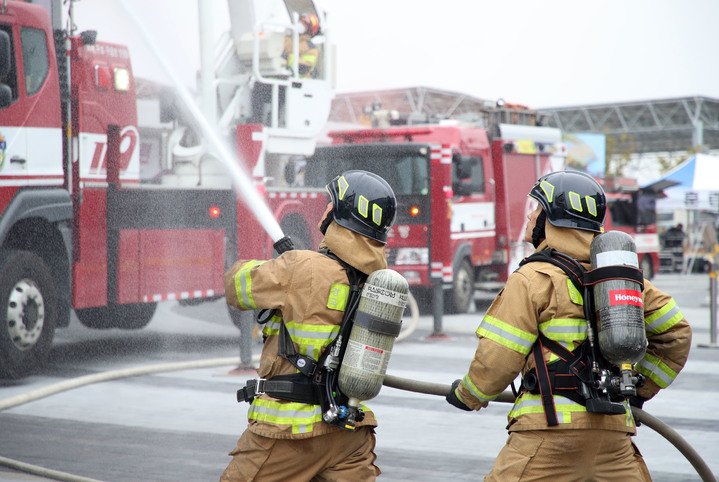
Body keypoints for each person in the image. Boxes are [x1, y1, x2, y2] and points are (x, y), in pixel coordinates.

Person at [445, 170, 692, 481]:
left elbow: (498, 358)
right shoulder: (624, 281)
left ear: (551, 217)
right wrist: (637, 391)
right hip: (613, 439)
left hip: (548, 436)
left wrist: (468, 394)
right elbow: (677, 334)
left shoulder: (532, 279)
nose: (530, 215)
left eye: (535, 208)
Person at [221, 170, 397, 481]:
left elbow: (236, 288)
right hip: (350, 434)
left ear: (342, 213)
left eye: (331, 203)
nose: (326, 208)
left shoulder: (301, 266)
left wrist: (283, 267)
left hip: (290, 431)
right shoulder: (379, 283)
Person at [283, 13, 321, 78]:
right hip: (281, 77)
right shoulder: (287, 40)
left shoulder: (311, 48)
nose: (299, 24)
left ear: (309, 29)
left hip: (299, 83)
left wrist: (287, 57)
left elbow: (305, 67)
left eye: (303, 24)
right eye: (299, 22)